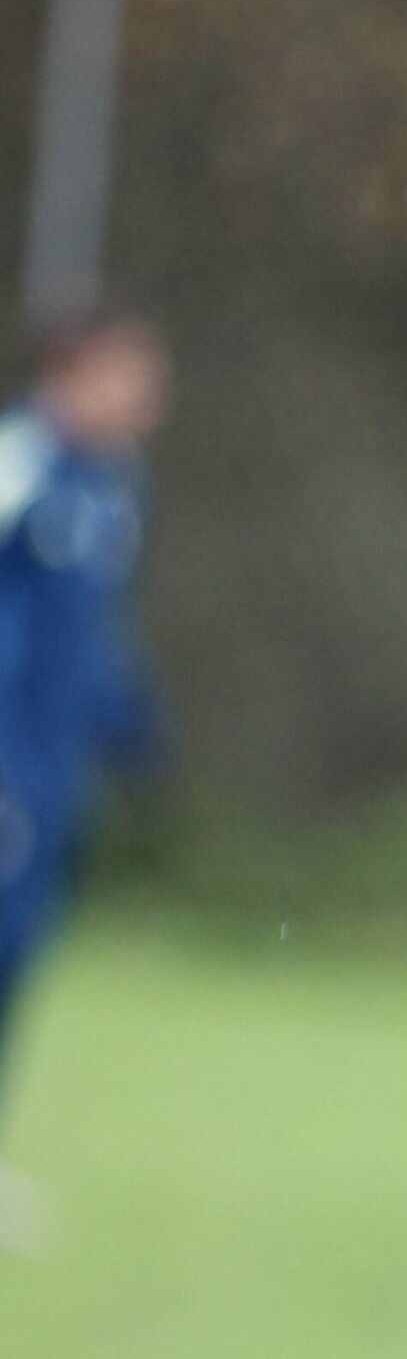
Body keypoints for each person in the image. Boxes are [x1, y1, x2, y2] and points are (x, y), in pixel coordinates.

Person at [0, 310, 170, 1247]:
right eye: (130, 369)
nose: (147, 390)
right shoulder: (20, 466)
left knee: (17, 955)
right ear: (76, 372)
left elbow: (95, 637)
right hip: (5, 763)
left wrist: (134, 732)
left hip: (52, 773)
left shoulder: (116, 486)